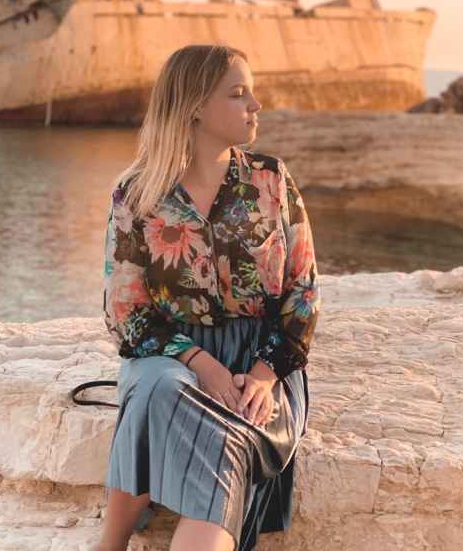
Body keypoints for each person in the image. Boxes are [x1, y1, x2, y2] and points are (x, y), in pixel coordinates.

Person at [97, 44, 320, 551]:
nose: (256, 106)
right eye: (239, 94)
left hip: (262, 363)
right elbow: (126, 313)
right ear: (195, 106)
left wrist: (263, 377)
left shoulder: (270, 180)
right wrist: (201, 363)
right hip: (170, 354)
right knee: (158, 386)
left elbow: (302, 296)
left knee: (226, 426)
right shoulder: (137, 195)